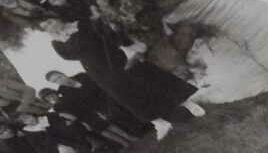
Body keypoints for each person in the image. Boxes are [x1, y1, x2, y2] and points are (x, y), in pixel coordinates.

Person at [51, 7, 203, 140]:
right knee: (127, 97)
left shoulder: (82, 24)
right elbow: (68, 56)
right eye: (46, 27)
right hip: (97, 71)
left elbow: (104, 36)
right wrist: (62, 39)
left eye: (50, 22)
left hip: (113, 58)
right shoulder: (57, 41)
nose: (50, 27)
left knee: (150, 81)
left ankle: (187, 103)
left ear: (58, 18)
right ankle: (160, 122)